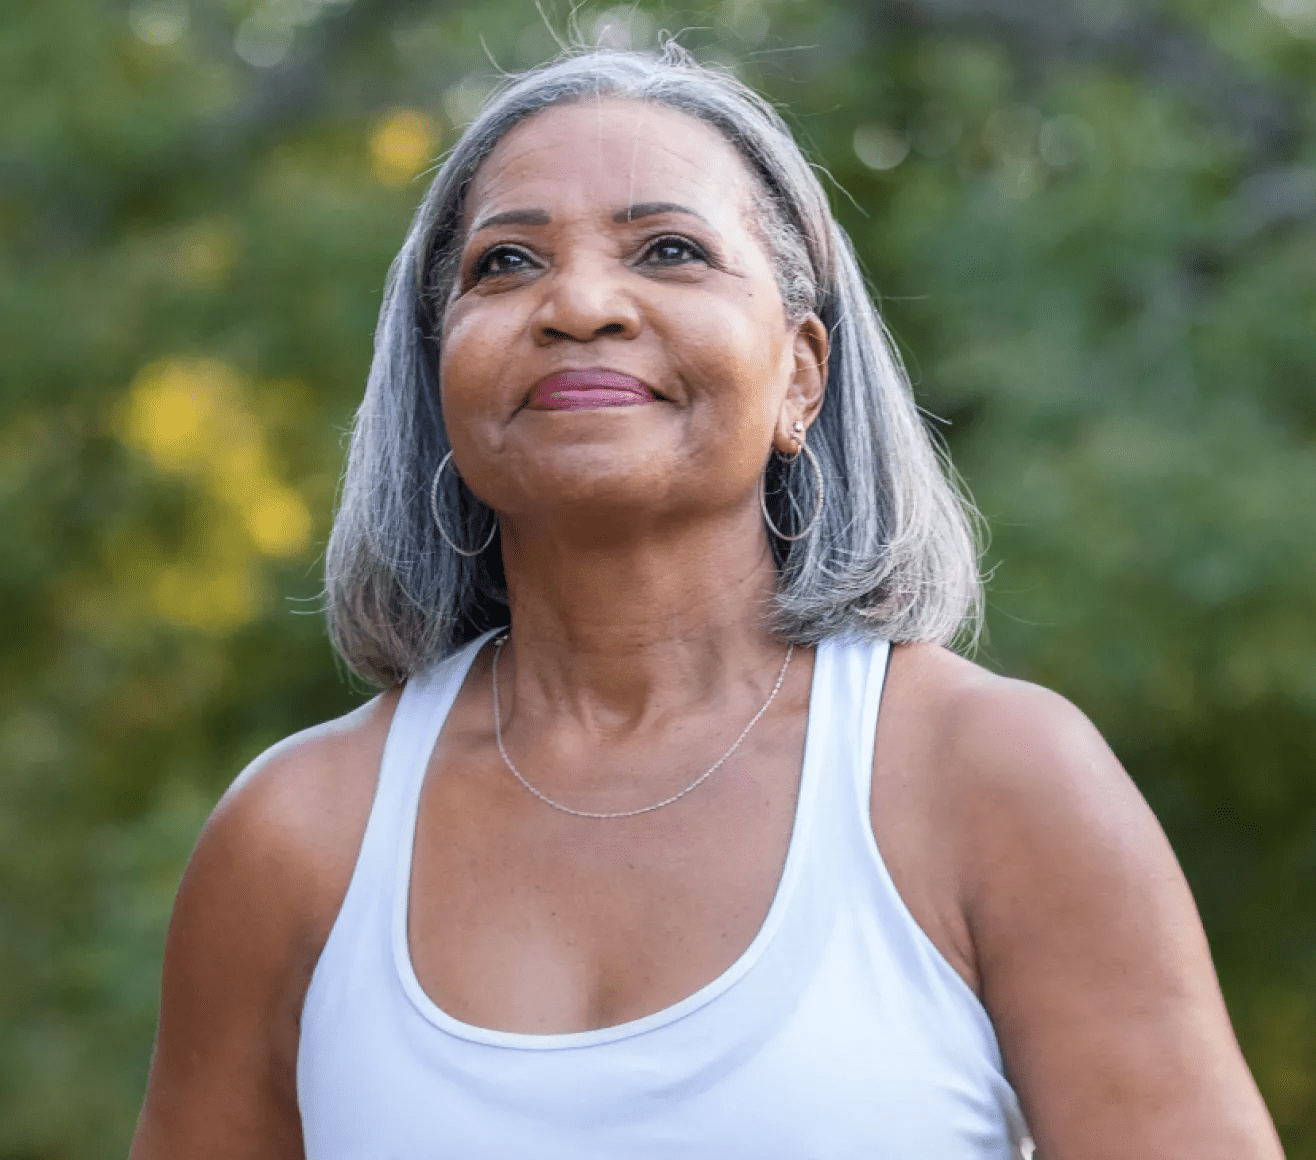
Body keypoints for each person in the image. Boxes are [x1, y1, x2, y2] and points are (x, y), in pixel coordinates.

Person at [130, 44, 1284, 1160]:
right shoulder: (296, 835)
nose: (578, 302)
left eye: (669, 249)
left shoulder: (989, 776)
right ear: (437, 377)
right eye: (505, 263)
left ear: (799, 373)